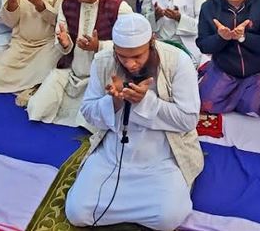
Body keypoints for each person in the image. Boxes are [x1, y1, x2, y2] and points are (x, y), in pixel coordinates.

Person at [63, 14, 201, 230]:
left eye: (137, 56)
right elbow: (88, 112)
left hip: (162, 156)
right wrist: (114, 102)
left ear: (152, 42)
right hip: (112, 155)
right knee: (77, 212)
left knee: (168, 218)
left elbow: (188, 119)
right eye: (122, 56)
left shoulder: (177, 62)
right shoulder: (103, 61)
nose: (130, 64)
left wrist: (145, 102)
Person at [29, 0, 131, 125]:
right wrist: (65, 44)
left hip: (104, 74)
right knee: (38, 108)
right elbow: (62, 37)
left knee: (89, 122)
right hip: (72, 70)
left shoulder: (119, 6)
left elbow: (131, 46)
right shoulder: (67, 3)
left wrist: (99, 46)